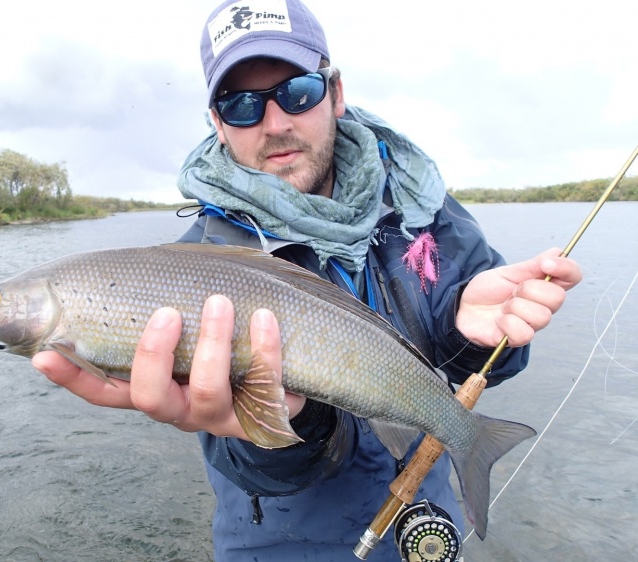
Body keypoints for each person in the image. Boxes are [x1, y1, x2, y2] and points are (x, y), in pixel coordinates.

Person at [32, 1, 583, 560]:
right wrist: (282, 426)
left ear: (335, 93)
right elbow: (250, 466)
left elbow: (475, 354)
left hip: (422, 535)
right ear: (218, 124)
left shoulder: (422, 208)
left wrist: (477, 337)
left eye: (296, 91)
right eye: (241, 105)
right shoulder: (194, 269)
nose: (275, 123)